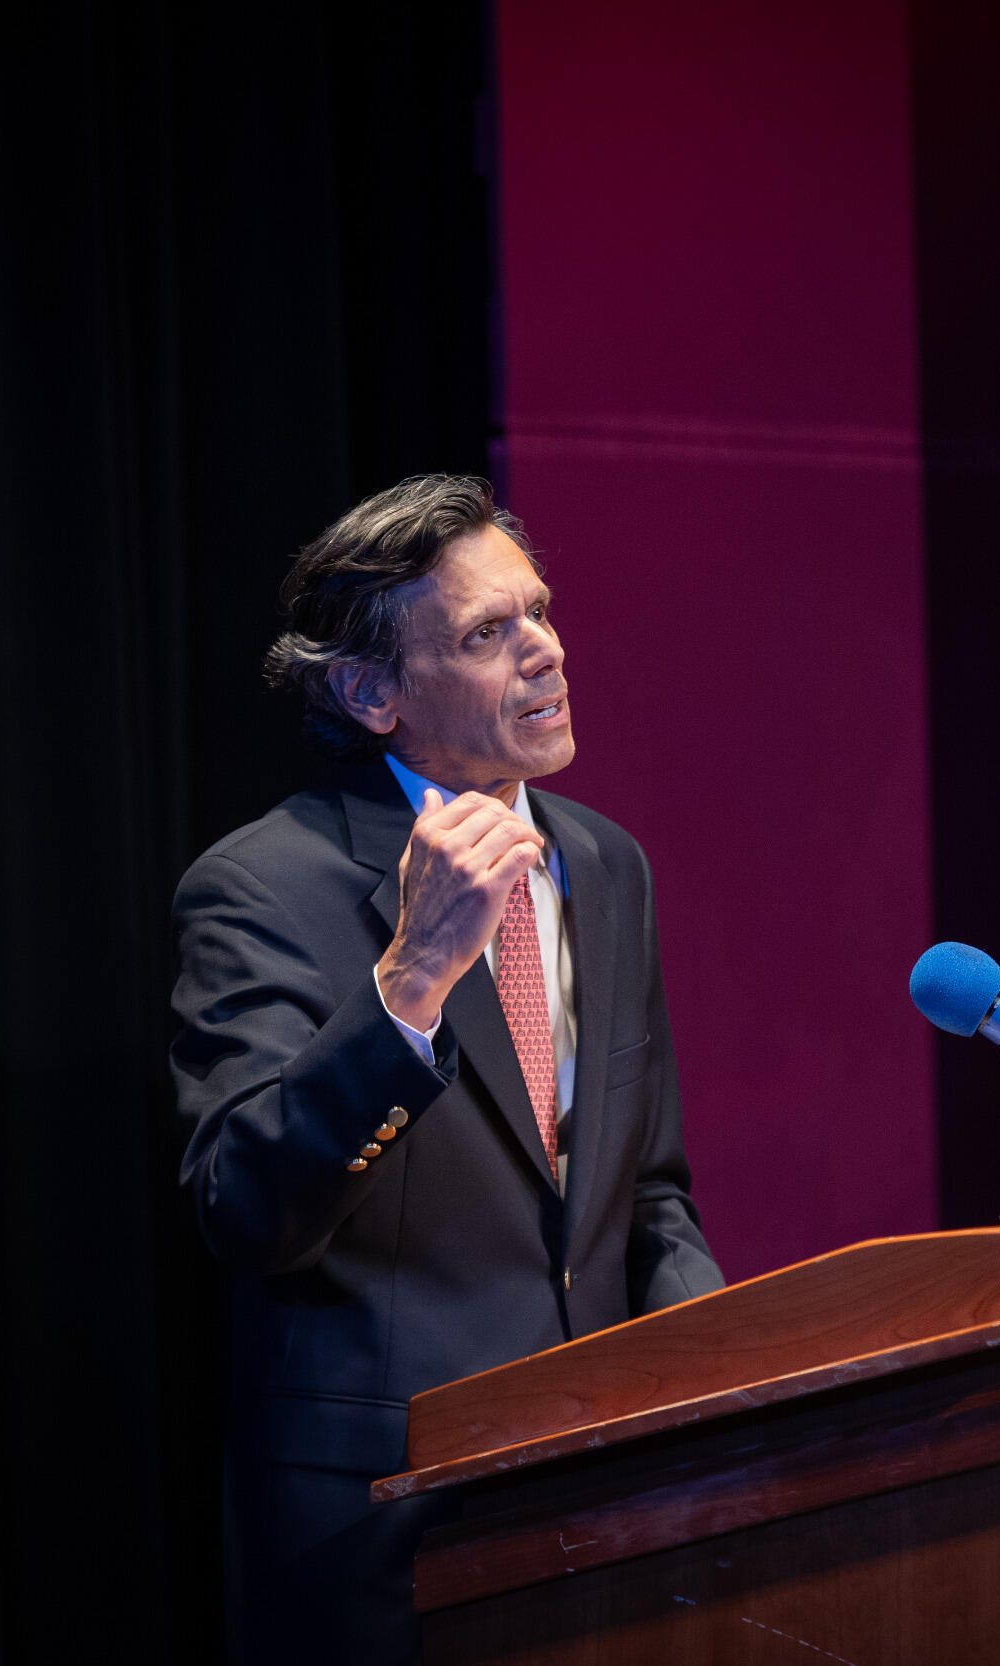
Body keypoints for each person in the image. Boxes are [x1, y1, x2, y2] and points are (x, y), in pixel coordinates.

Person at [170, 476, 725, 1665]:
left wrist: (730, 1390)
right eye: (488, 633)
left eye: (539, 611)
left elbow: (647, 1197)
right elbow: (247, 1211)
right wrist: (409, 981)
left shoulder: (605, 864)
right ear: (373, 693)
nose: (547, 652)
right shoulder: (265, 887)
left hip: (605, 1509)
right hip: (385, 1537)